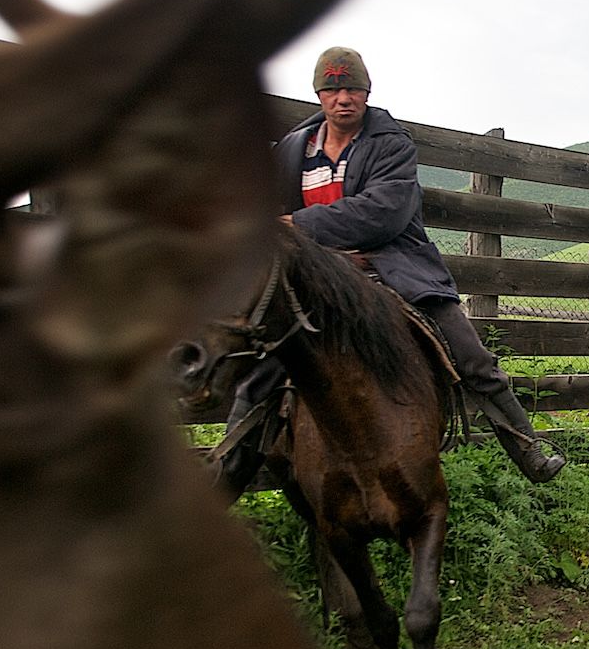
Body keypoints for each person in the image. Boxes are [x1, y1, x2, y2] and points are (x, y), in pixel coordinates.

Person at [215, 47, 564, 495]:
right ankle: (226, 477)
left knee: (470, 355)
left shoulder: (391, 144)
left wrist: (297, 225)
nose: (343, 98)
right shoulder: (292, 151)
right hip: (315, 280)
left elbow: (383, 213)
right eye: (333, 89)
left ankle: (526, 447)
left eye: (352, 89)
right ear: (319, 95)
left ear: (367, 92)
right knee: (264, 363)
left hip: (391, 266)